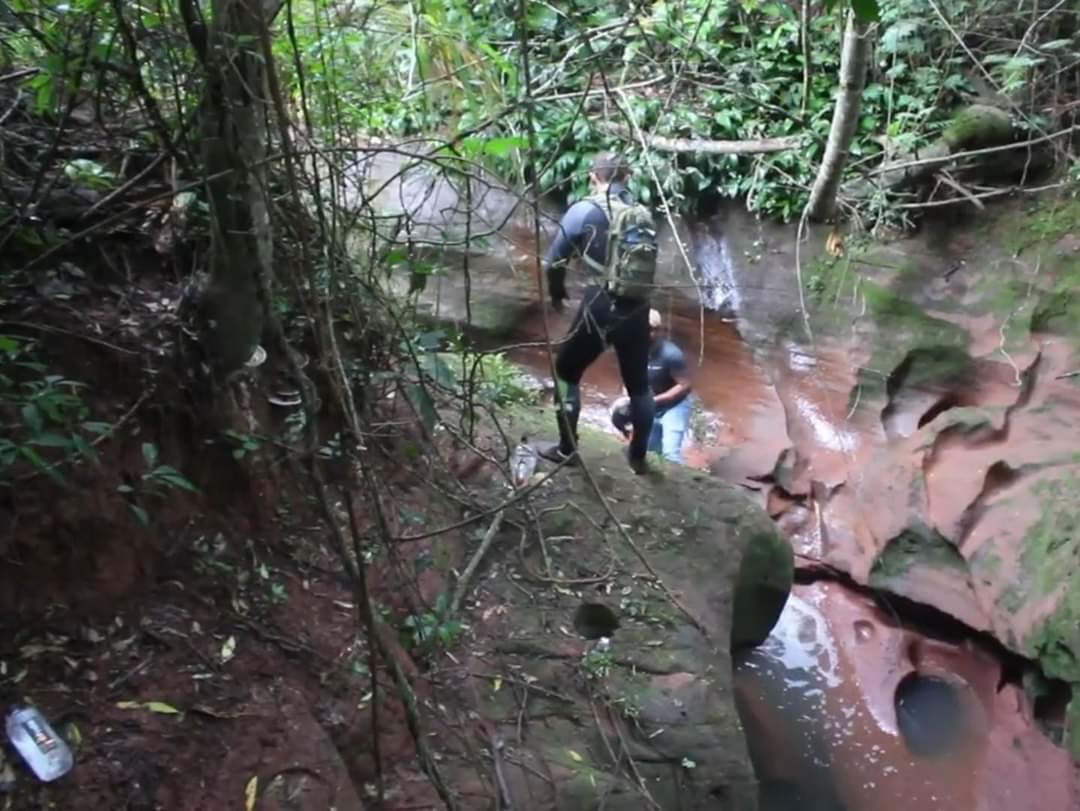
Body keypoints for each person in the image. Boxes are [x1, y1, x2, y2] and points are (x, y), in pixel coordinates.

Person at [537, 153, 656, 475]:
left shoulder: (584, 210)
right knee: (640, 386)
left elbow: (553, 262)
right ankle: (638, 456)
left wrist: (557, 292)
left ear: (593, 177)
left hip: (601, 303)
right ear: (627, 178)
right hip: (638, 307)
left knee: (565, 370)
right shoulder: (643, 214)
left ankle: (566, 449)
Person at [610, 309, 693, 464]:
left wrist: (655, 400)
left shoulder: (671, 354)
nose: (647, 334)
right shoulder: (632, 351)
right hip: (650, 406)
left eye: (651, 330)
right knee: (651, 449)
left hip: (675, 407)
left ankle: (678, 484)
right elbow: (628, 376)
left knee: (670, 453)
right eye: (642, 329)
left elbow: (685, 385)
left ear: (659, 331)